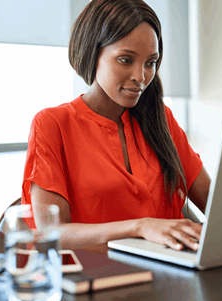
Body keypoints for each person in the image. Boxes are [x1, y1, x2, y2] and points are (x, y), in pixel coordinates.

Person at [21, 0, 211, 251]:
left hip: (172, 276)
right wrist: (140, 227)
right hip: (95, 282)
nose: (140, 77)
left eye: (150, 63)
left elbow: (218, 207)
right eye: (125, 60)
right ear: (92, 52)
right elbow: (50, 234)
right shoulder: (52, 124)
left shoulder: (160, 119)